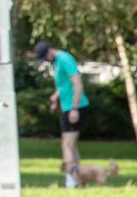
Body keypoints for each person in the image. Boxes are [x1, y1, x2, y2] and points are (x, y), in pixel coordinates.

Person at [33, 40, 89, 187]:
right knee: (70, 145)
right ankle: (79, 179)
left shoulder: (64, 59)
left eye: (45, 57)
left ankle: (71, 181)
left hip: (75, 107)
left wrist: (74, 108)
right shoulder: (57, 61)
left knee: (67, 144)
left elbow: (78, 83)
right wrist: (56, 95)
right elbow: (65, 84)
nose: (45, 61)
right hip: (67, 107)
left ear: (49, 51)